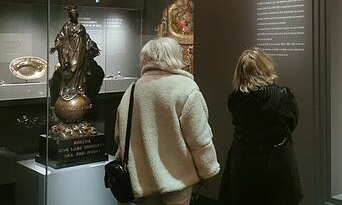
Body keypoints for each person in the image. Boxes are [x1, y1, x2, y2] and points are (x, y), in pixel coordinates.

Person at [115, 37, 220, 205]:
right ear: (175, 56)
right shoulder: (186, 88)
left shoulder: (132, 90)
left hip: (140, 182)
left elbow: (120, 136)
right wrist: (209, 171)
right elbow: (199, 138)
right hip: (177, 180)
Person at [219, 48, 302, 205]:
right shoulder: (282, 95)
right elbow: (292, 124)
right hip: (276, 164)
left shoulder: (234, 99)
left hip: (243, 163)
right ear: (266, 67)